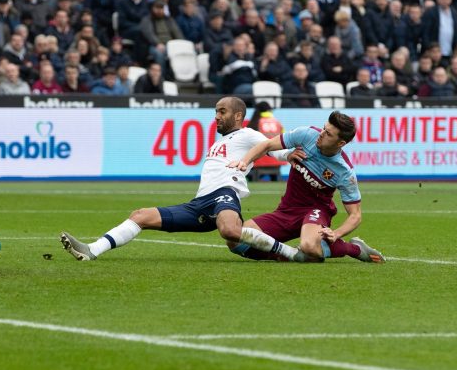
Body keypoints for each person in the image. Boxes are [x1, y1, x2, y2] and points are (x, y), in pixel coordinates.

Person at [60, 97, 304, 262]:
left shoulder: (247, 133)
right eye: (216, 112)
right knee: (140, 216)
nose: (217, 117)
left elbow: (270, 147)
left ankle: (292, 254)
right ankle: (92, 250)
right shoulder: (221, 141)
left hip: (224, 194)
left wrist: (287, 154)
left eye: (222, 111)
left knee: (230, 231)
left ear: (238, 115)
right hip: (199, 203)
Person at [229, 111, 385, 263]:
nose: (322, 133)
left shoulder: (344, 172)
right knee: (236, 241)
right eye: (324, 128)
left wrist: (336, 233)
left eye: (329, 134)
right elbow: (267, 145)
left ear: (341, 143)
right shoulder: (306, 135)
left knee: (309, 246)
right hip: (286, 211)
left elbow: (355, 215)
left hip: (315, 212)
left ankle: (354, 249)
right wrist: (244, 161)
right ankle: (290, 256)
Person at [245, 101, 285, 181]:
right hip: (277, 160)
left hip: (260, 160)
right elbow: (283, 138)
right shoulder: (277, 122)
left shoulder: (255, 123)